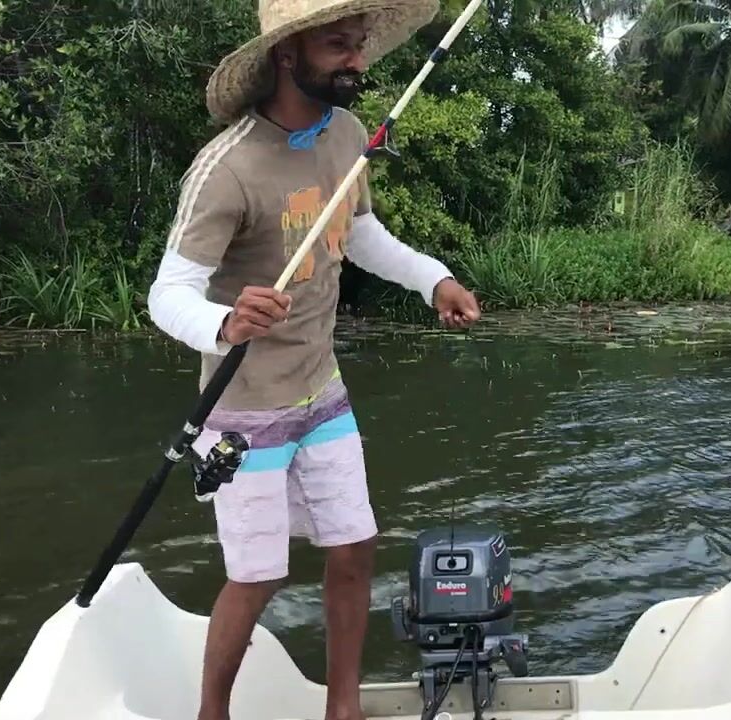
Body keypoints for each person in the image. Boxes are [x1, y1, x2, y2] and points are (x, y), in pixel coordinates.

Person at [145, 0, 479, 717]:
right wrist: (225, 322)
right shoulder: (226, 168)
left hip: (321, 394)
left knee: (355, 547)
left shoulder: (349, 135)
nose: (356, 60)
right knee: (257, 576)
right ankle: (212, 713)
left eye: (358, 44)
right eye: (338, 45)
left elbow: (359, 234)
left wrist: (434, 279)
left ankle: (343, 706)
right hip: (244, 413)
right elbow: (167, 295)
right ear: (287, 55)